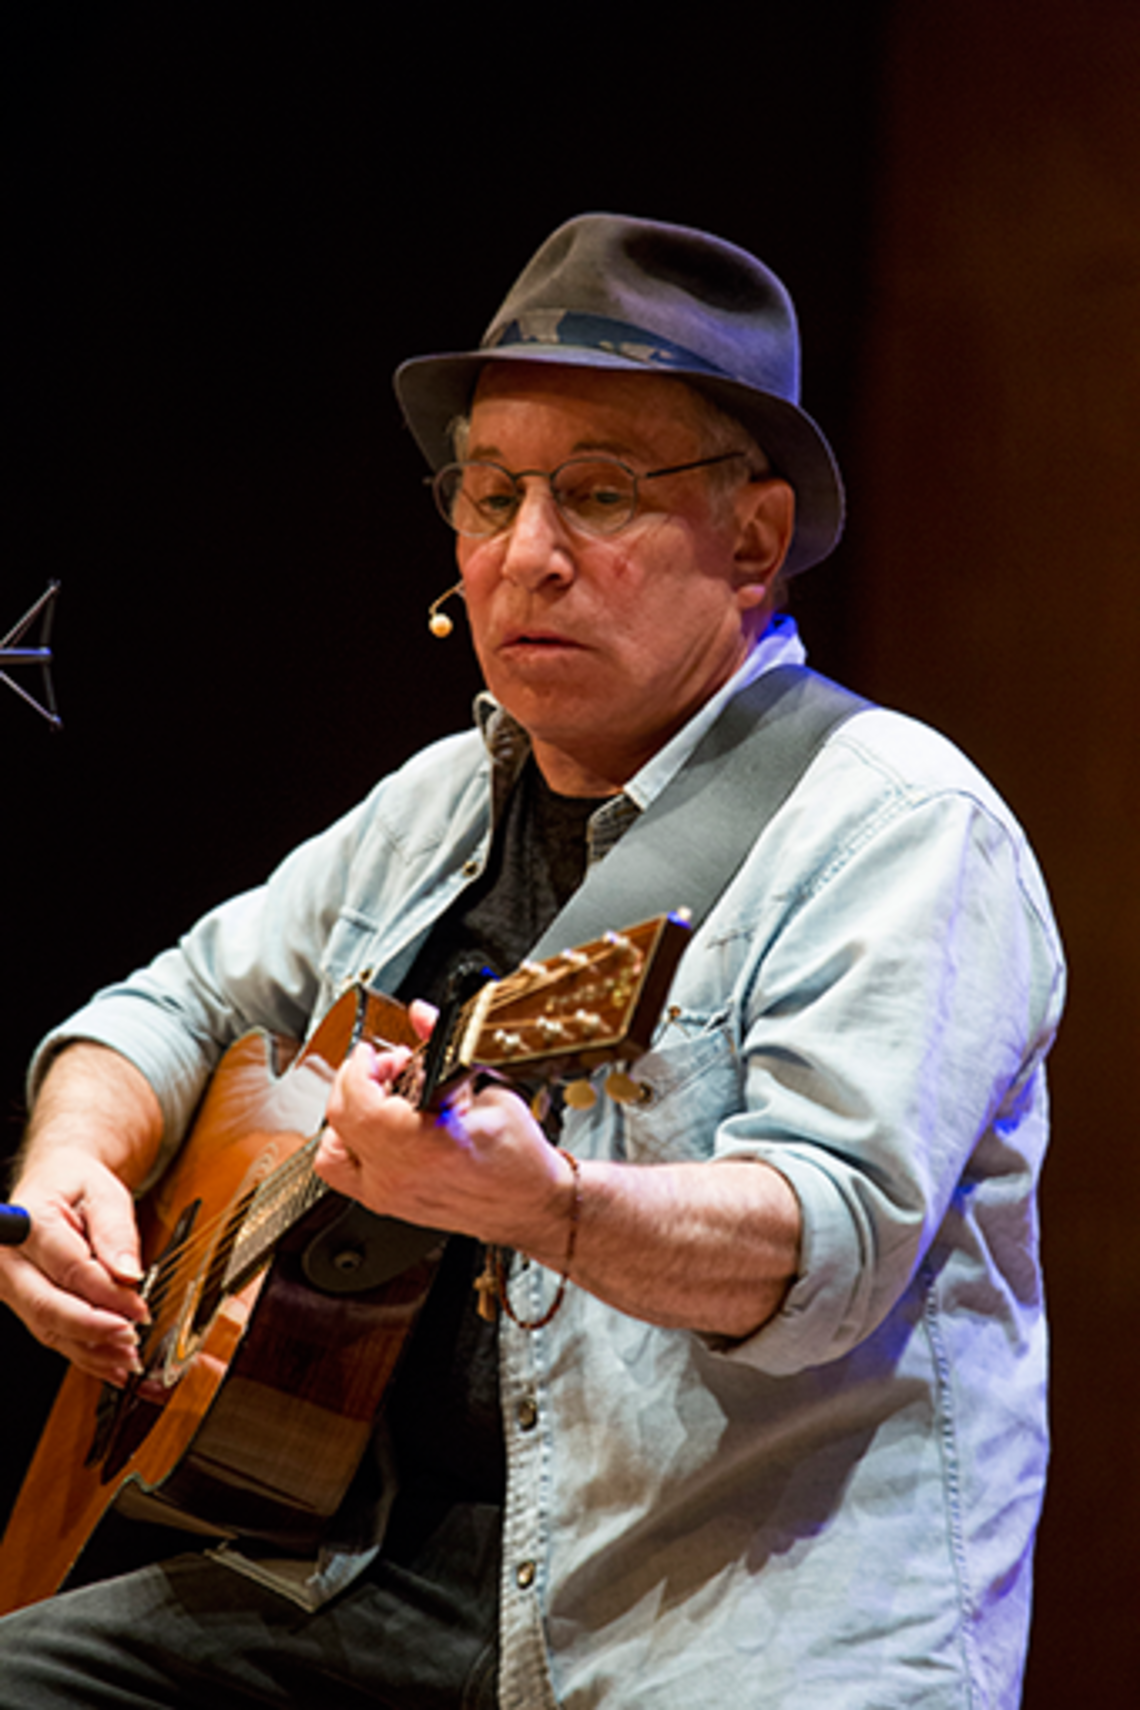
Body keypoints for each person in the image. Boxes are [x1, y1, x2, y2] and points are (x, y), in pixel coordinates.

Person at [0, 213, 1064, 1708]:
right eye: (488, 494)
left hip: (731, 1626)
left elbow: (824, 1239)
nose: (527, 554)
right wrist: (69, 1172)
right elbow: (171, 1005)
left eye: (600, 494)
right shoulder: (441, 801)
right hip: (386, 1578)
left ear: (752, 540)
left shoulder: (897, 826)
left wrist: (550, 1205)